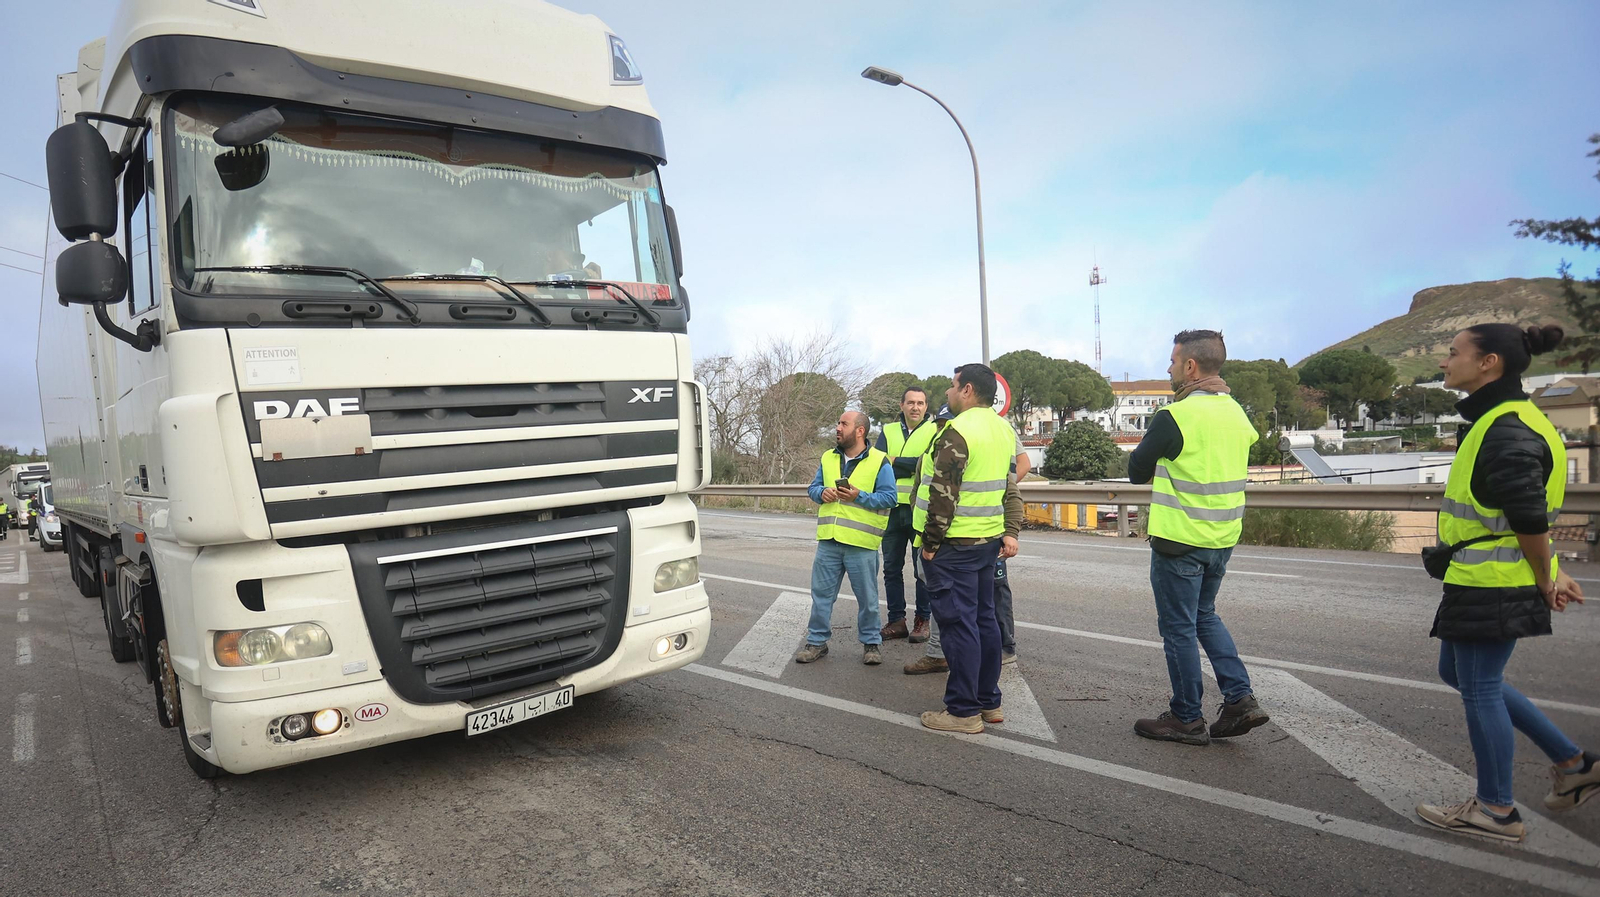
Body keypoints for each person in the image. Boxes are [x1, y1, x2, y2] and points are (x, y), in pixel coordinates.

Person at [1414, 324, 1599, 843]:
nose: (1445, 362)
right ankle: (1574, 761)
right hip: (1487, 577)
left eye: (1454, 353)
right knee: (1462, 673)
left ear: (1489, 362)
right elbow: (1520, 516)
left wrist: (1547, 578)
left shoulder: (1506, 429)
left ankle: (1497, 809)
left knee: (1478, 687)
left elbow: (1528, 517)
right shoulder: (1506, 419)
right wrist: (1552, 569)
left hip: (1493, 582)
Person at [1128, 329, 1269, 745]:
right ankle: (1240, 698)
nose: (1169, 368)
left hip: (1179, 541)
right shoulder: (1236, 412)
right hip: (1222, 538)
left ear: (1190, 366)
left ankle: (1186, 717)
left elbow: (1138, 470)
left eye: (1172, 361)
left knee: (1178, 628)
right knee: (1204, 616)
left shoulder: (1177, 416)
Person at [917, 365, 1020, 733]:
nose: (947, 391)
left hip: (954, 545)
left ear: (968, 390)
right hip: (986, 542)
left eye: (952, 385)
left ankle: (962, 711)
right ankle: (988, 702)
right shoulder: (1003, 429)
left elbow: (944, 495)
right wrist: (1008, 530)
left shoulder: (958, 431)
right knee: (984, 621)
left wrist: (930, 543)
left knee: (959, 627)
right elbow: (1008, 486)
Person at [795, 411, 899, 665]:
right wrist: (823, 493)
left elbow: (890, 498)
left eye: (844, 424)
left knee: (868, 600)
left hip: (861, 544)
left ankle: (871, 644)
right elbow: (813, 488)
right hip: (829, 541)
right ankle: (817, 642)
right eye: (838, 423)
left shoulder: (879, 461)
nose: (838, 428)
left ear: (860, 430)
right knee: (821, 596)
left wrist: (858, 496)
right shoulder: (828, 457)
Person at [875, 386, 937, 642]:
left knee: (922, 568)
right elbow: (877, 463)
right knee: (891, 568)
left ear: (926, 407)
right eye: (911, 402)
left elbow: (927, 464)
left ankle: (922, 620)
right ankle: (896, 620)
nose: (915, 407)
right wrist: (910, 463)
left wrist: (895, 461)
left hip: (918, 510)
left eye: (921, 403)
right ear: (901, 405)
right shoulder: (887, 431)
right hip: (890, 508)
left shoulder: (935, 430)